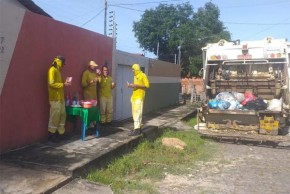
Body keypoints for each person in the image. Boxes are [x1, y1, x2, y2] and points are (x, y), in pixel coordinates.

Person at [47, 55, 71, 142]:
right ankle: (51, 134)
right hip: (54, 98)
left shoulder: (57, 71)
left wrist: (65, 83)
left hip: (60, 97)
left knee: (62, 115)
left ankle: (60, 133)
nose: (63, 66)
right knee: (55, 116)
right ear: (59, 62)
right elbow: (51, 83)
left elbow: (59, 84)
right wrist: (63, 84)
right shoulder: (52, 70)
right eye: (63, 63)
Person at [127, 64, 150, 136]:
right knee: (135, 113)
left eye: (133, 69)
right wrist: (131, 85)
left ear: (137, 69)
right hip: (134, 97)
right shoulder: (135, 76)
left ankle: (136, 130)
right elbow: (135, 86)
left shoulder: (143, 75)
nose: (132, 71)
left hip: (139, 97)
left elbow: (147, 85)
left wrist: (136, 85)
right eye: (132, 69)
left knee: (137, 113)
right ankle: (137, 129)